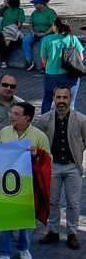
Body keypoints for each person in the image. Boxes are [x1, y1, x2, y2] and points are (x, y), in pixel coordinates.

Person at [0, 101, 47, 259]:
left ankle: (24, 248)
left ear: (27, 118)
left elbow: (48, 160)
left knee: (26, 220)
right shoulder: (4, 132)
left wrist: (37, 154)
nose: (11, 116)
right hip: (6, 183)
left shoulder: (39, 136)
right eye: (12, 113)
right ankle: (4, 252)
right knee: (5, 219)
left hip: (28, 185)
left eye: (16, 114)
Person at [35, 86, 86, 250]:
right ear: (53, 99)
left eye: (65, 98)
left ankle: (72, 233)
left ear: (71, 99)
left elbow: (84, 142)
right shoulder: (44, 120)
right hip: (52, 167)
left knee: (73, 203)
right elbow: (38, 142)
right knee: (52, 201)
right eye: (58, 97)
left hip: (73, 167)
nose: (61, 101)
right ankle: (53, 231)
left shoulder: (82, 120)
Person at [40, 17, 83, 112]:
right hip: (70, 75)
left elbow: (44, 60)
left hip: (51, 75)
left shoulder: (47, 40)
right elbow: (81, 57)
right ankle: (69, 123)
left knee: (47, 99)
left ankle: (44, 122)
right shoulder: (72, 38)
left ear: (55, 27)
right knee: (70, 102)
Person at [22, 0, 56, 71]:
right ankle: (29, 61)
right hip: (35, 32)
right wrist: (32, 32)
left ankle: (45, 64)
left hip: (47, 33)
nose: (34, 5)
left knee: (44, 42)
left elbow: (53, 25)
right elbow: (30, 25)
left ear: (42, 5)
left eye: (36, 4)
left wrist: (45, 33)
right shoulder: (34, 13)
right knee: (25, 41)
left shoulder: (51, 12)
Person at [0, 0, 25, 69]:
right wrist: (0, 7)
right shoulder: (5, 9)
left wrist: (11, 29)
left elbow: (19, 25)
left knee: (15, 42)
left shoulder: (19, 11)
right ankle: (3, 61)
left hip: (12, 31)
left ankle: (2, 56)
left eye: (5, 0)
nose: (4, 2)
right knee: (0, 40)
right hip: (3, 30)